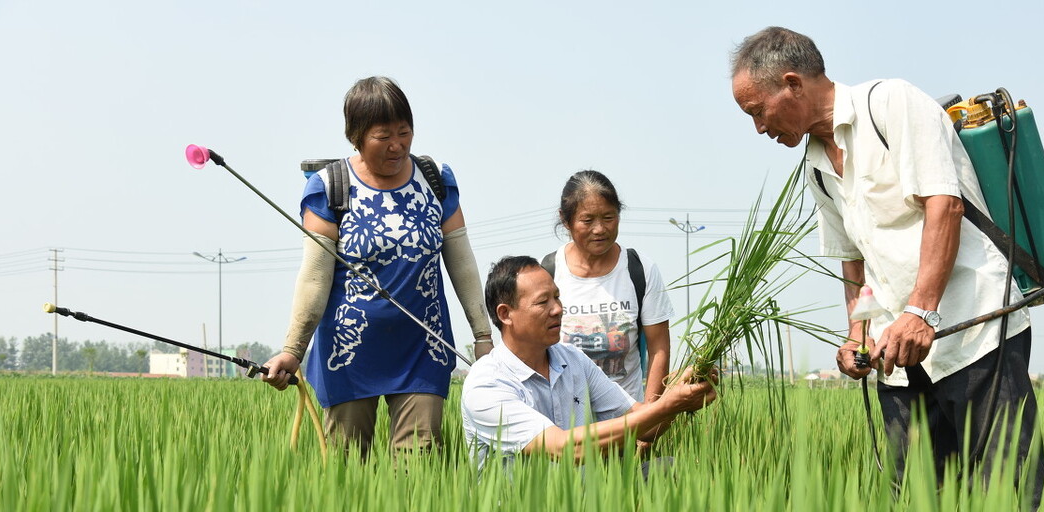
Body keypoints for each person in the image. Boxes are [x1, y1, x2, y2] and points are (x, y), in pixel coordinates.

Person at [730, 27, 1044, 512]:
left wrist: (921, 312)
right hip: (897, 354)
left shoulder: (891, 106)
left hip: (974, 330)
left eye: (758, 111)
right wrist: (857, 334)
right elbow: (856, 262)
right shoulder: (817, 167)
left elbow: (943, 206)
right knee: (919, 505)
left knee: (1012, 492)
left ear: (793, 84)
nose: (759, 128)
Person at [262, 76, 493, 459]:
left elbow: (462, 261)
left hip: (423, 346)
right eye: (383, 136)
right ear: (356, 137)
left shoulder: (435, 181)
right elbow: (315, 278)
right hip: (349, 351)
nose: (397, 145)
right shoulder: (330, 187)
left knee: (419, 468)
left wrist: (483, 336)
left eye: (405, 132)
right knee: (349, 469)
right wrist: (292, 349)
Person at [461, 256, 716, 471]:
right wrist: (667, 405)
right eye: (543, 302)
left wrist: (678, 395)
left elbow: (644, 425)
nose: (557, 309)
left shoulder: (573, 360)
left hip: (587, 503)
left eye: (557, 298)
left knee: (677, 469)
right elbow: (565, 448)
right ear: (505, 314)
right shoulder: (486, 384)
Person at [544, 171, 673, 402]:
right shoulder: (548, 273)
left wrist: (649, 416)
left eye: (608, 217)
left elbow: (659, 348)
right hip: (565, 423)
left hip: (626, 418)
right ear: (565, 220)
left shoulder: (640, 270)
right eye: (587, 220)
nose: (599, 229)